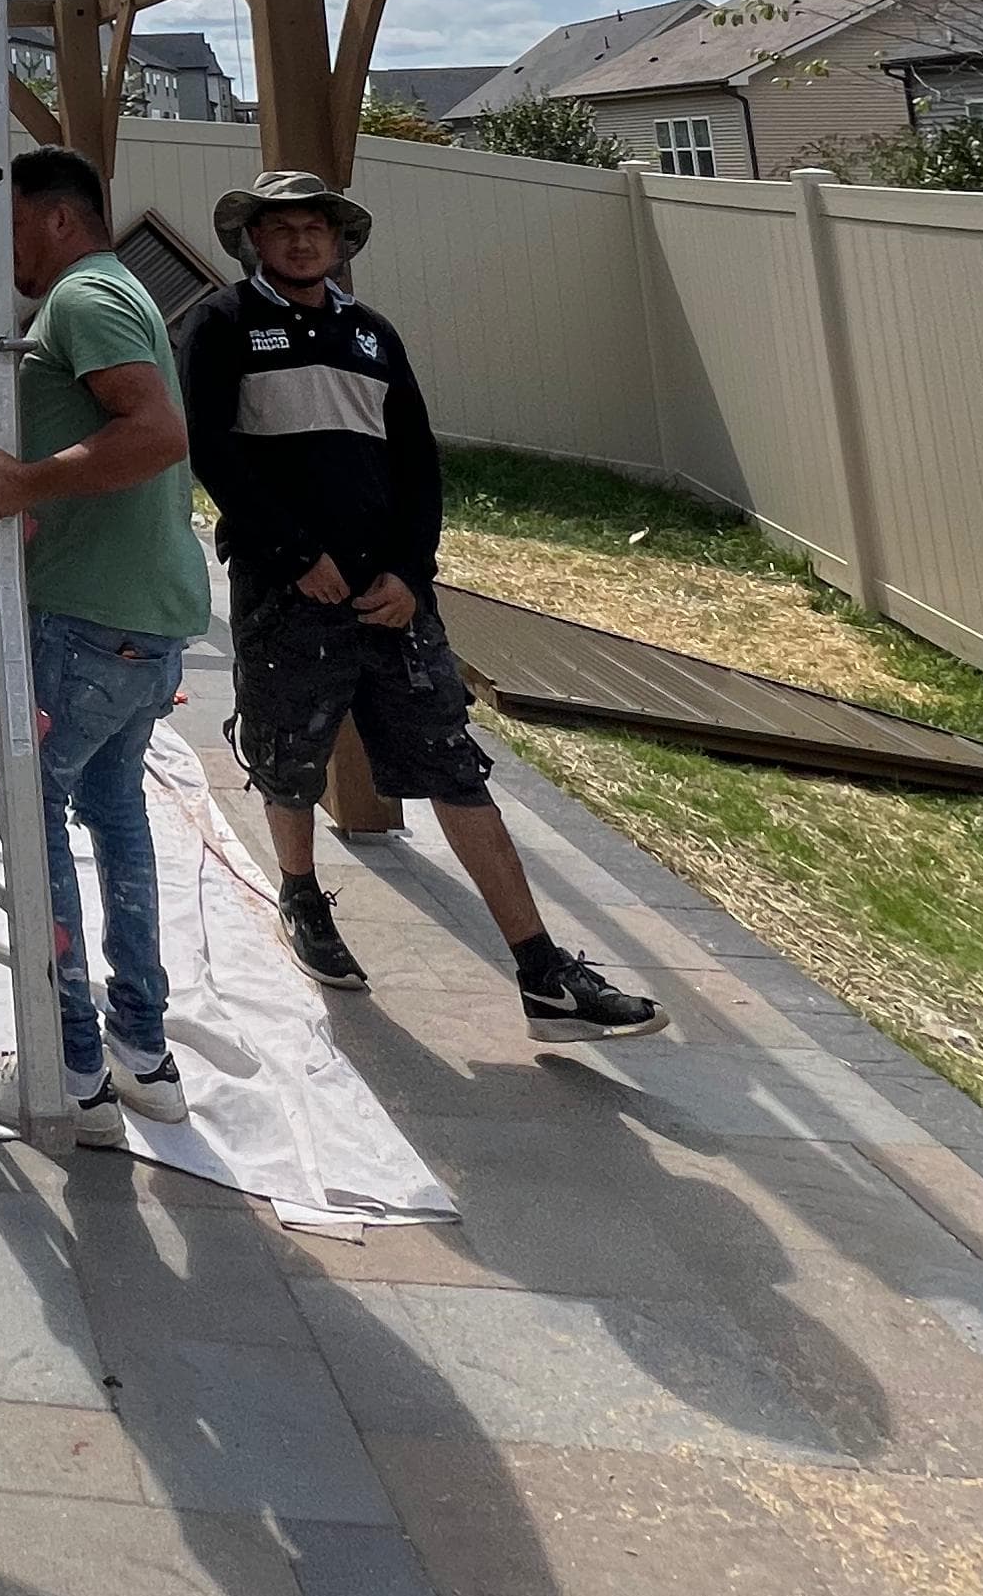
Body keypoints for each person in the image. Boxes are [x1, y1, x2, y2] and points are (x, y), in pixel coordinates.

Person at [182, 167, 662, 1035]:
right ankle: (301, 896)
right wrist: (297, 555)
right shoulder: (222, 325)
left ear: (339, 241)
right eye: (281, 228)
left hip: (391, 597)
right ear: (254, 238)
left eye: (315, 229)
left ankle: (541, 969)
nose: (299, 242)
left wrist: (412, 571)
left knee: (452, 762)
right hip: (286, 591)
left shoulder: (373, 335)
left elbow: (417, 466)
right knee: (289, 756)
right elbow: (215, 455)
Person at [0, 145, 207, 1146]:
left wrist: (27, 488)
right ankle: (142, 1054)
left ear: (54, 219)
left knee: (24, 789)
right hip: (143, 614)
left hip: (91, 619)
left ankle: (69, 1065)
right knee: (108, 804)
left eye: (8, 223)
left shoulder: (85, 299)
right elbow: (103, 435)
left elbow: (158, 433)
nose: (0, 246)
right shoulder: (106, 293)